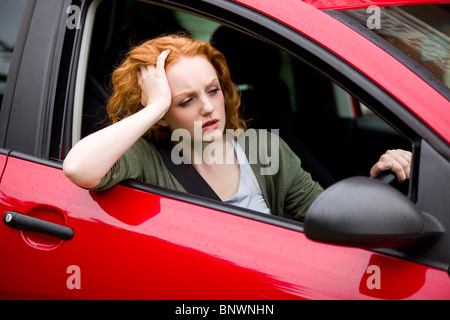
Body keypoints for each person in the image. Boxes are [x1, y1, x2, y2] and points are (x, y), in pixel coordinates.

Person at [63, 34, 412, 221]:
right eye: (185, 101)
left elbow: (330, 217)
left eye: (213, 90)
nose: (208, 107)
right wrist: (155, 105)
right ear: (162, 116)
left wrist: (374, 186)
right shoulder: (142, 157)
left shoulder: (267, 150)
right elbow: (78, 168)